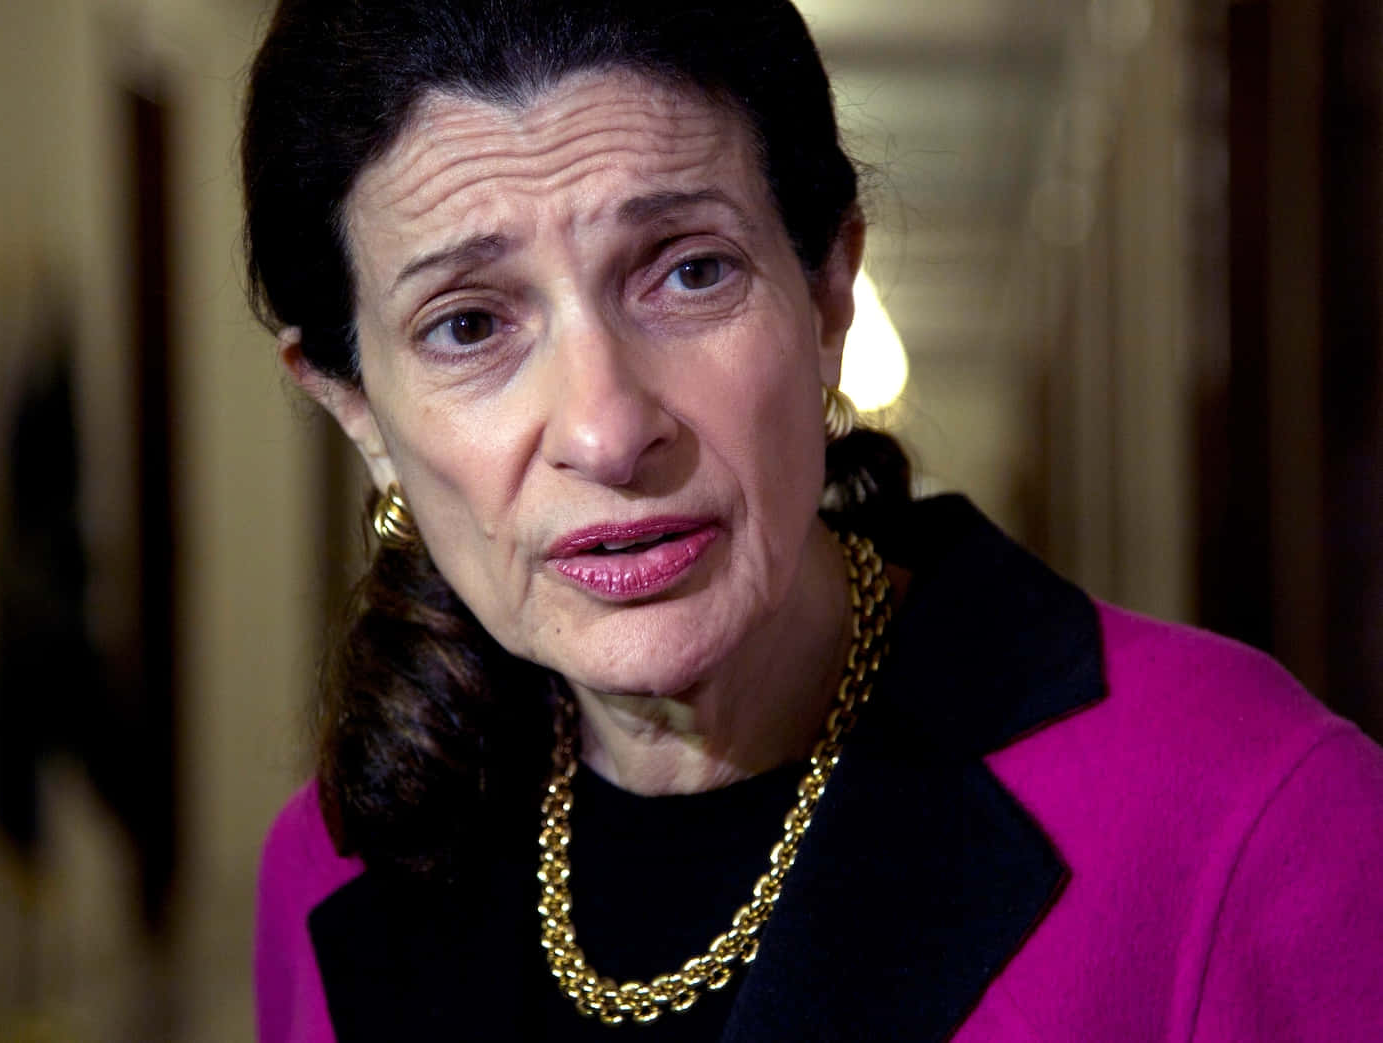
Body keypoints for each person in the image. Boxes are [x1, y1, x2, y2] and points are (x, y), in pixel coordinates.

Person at [244, 1, 1383, 1040]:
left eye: (689, 272)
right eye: (467, 325)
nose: (605, 428)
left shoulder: (1255, 816)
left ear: (828, 292)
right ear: (357, 408)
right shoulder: (331, 868)